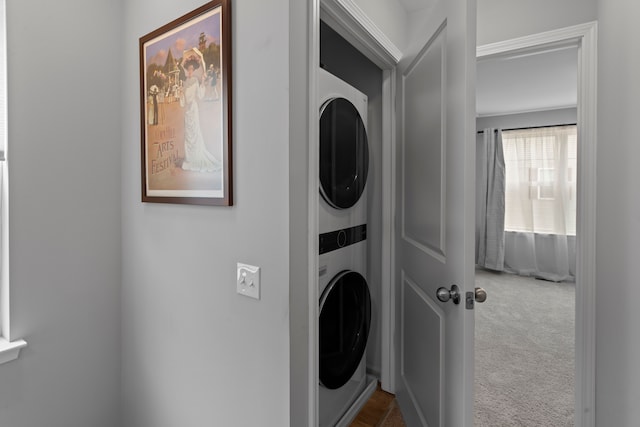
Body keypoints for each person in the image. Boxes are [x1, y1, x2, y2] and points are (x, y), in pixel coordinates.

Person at [179, 55, 221, 173]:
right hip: (187, 111)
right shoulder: (185, 82)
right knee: (188, 135)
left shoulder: (195, 81)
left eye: (192, 69)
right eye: (189, 69)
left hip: (193, 110)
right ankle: (190, 159)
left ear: (194, 69)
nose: (190, 71)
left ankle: (197, 158)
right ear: (187, 70)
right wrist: (181, 95)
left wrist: (202, 82)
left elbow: (200, 95)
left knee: (195, 133)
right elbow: (182, 102)